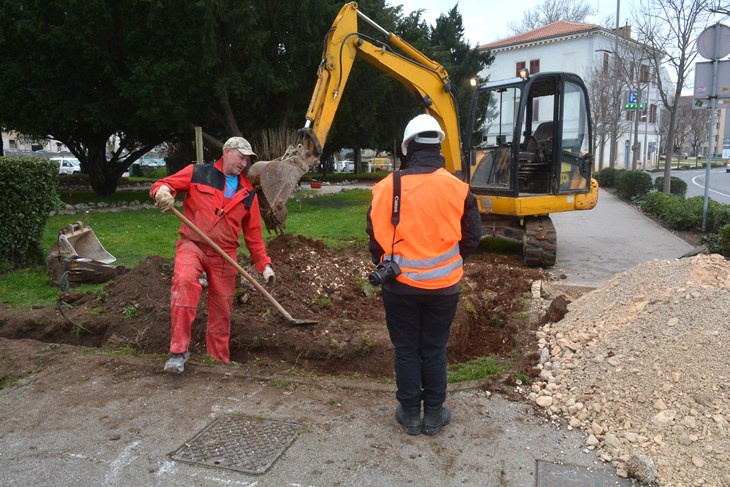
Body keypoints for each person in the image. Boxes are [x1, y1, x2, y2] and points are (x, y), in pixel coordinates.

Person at [366, 114, 482, 435]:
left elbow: (374, 241)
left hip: (399, 287)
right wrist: (448, 264)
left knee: (406, 349)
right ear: (438, 147)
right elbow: (471, 239)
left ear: (407, 149)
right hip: (444, 289)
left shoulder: (385, 188)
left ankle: (410, 416)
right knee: (433, 349)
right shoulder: (459, 189)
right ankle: (433, 415)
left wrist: (391, 262)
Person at [150, 136, 275, 374]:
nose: (244, 164)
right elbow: (163, 184)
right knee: (185, 282)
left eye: (248, 160)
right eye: (241, 157)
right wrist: (162, 193)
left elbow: (254, 236)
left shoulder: (248, 193)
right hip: (193, 245)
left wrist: (264, 265)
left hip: (225, 254)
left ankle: (217, 360)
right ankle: (178, 352)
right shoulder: (198, 173)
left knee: (222, 308)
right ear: (227, 152)